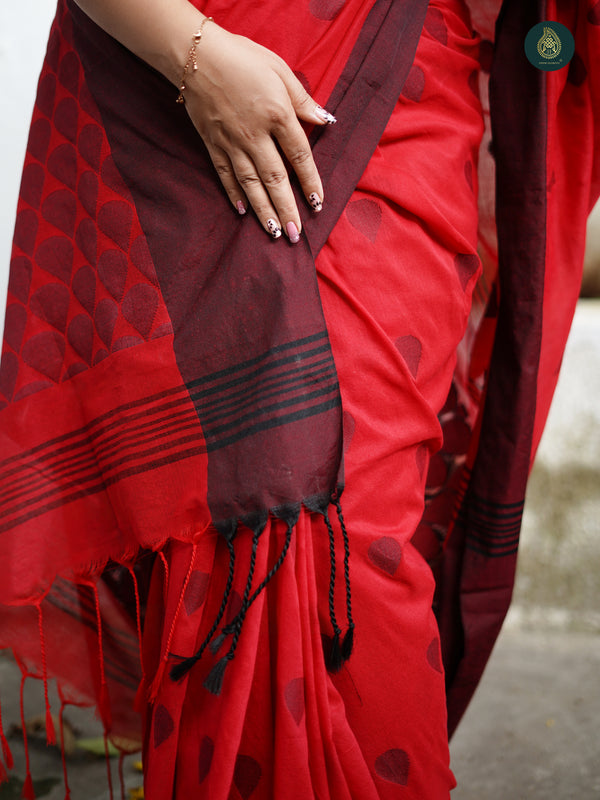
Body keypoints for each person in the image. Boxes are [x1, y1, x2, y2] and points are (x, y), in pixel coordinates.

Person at [0, 0, 598, 798]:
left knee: (360, 533)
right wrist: (197, 58)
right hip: (182, 77)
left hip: (408, 84)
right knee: (220, 531)